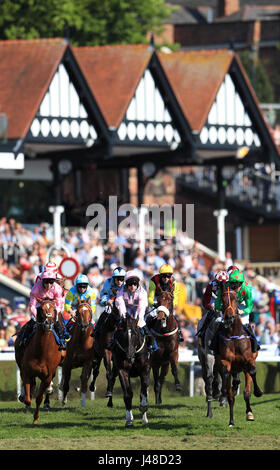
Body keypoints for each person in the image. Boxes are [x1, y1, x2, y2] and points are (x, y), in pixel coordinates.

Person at [18, 270, 67, 350]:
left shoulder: (57, 288)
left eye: (51, 282)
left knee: (57, 320)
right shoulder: (36, 288)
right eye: (46, 282)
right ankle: (24, 339)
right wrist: (36, 315)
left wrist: (53, 314)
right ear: (42, 281)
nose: (48, 285)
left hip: (52, 307)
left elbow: (60, 305)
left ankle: (62, 341)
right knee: (33, 320)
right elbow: (32, 306)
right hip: (39, 306)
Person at [213, 270, 259, 353]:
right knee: (219, 321)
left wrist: (242, 311)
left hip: (241, 305)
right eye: (233, 284)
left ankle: (254, 345)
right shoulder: (225, 287)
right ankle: (214, 345)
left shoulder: (247, 289)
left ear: (242, 283)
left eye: (238, 284)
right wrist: (224, 309)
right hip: (227, 306)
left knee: (245, 323)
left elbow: (250, 307)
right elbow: (217, 304)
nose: (235, 287)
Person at [114, 270, 159, 352]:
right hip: (126, 310)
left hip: (137, 310)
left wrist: (139, 319)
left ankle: (152, 344)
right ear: (126, 284)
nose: (132, 287)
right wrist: (124, 317)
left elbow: (141, 307)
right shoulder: (121, 290)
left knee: (143, 325)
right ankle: (112, 343)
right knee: (118, 324)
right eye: (130, 284)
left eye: (135, 284)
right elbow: (120, 304)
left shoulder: (142, 292)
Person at [147, 263, 183, 342]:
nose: (166, 278)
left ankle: (179, 333)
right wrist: (153, 304)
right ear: (160, 275)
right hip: (157, 299)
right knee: (150, 316)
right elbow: (150, 297)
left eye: (168, 276)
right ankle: (147, 335)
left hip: (168, 301)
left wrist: (173, 304)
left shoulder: (174, 282)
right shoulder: (153, 281)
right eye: (164, 276)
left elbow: (176, 296)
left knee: (174, 317)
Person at [92, 266, 126, 338]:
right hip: (111, 304)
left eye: (121, 279)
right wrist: (107, 301)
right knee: (105, 313)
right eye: (117, 279)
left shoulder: (127, 284)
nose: (119, 281)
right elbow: (104, 294)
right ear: (113, 278)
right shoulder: (108, 282)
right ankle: (96, 330)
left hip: (124, 305)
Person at [196, 270, 229, 342]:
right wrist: (209, 306)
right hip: (214, 301)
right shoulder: (211, 284)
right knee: (205, 319)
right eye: (220, 283)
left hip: (225, 302)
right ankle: (202, 333)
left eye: (224, 283)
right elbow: (206, 299)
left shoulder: (229, 286)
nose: (222, 285)